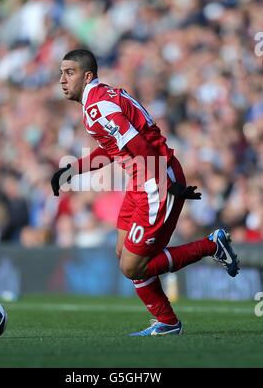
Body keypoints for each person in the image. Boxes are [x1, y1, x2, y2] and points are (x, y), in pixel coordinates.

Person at [51, 49, 239, 336]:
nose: (62, 80)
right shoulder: (101, 97)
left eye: (69, 72)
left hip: (154, 179)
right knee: (122, 251)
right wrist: (74, 169)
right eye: (61, 73)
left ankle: (211, 248)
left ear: (87, 75)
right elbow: (116, 146)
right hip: (142, 179)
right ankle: (166, 322)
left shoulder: (97, 106)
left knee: (133, 266)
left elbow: (137, 143)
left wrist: (165, 182)